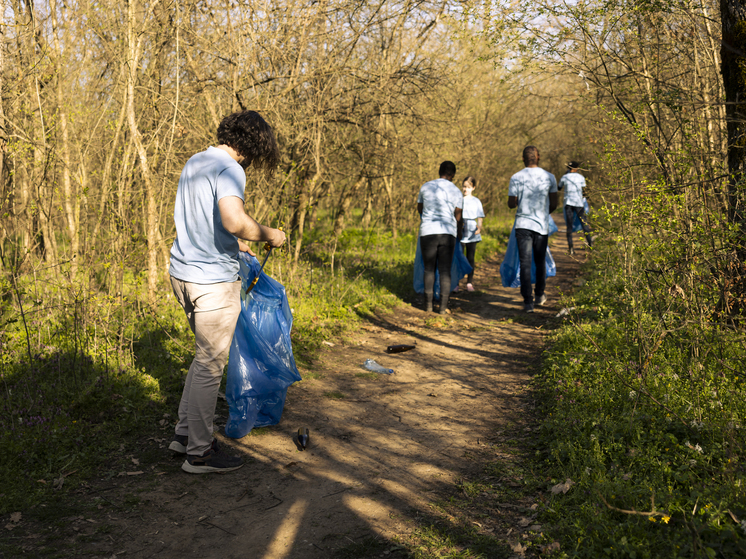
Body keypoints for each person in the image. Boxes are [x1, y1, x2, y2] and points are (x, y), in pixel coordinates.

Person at [168, 110, 287, 474]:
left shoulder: (197, 160)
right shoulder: (231, 168)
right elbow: (233, 220)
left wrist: (234, 246)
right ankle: (200, 453)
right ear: (253, 146)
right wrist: (270, 233)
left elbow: (202, 220)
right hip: (211, 282)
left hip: (182, 273)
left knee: (202, 357)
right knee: (210, 364)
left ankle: (184, 433)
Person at [507, 146, 558, 312]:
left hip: (523, 225)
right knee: (540, 261)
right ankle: (539, 295)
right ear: (539, 157)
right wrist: (543, 213)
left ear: (522, 159)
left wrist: (518, 202)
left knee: (525, 262)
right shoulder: (549, 177)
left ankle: (527, 301)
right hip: (541, 227)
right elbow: (554, 203)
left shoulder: (516, 177)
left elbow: (511, 203)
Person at [417, 161, 463, 314]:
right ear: (453, 175)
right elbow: (458, 216)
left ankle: (428, 306)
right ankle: (443, 308)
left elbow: (420, 208)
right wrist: (459, 233)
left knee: (429, 269)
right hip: (447, 232)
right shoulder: (456, 191)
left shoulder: (426, 186)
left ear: (439, 171)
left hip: (428, 231)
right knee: (444, 270)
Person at [558, 161, 592, 255]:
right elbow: (584, 192)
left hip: (568, 203)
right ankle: (590, 244)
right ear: (576, 168)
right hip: (578, 203)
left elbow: (559, 187)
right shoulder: (581, 177)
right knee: (584, 223)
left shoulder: (565, 177)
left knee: (569, 226)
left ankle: (571, 248)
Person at [459, 176, 485, 292]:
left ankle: (469, 282)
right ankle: (456, 282)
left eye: (468, 187)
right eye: (464, 187)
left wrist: (479, 227)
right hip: (460, 231)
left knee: (470, 257)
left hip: (472, 232)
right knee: (459, 257)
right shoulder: (458, 199)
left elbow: (480, 216)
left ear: (473, 188)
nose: (466, 189)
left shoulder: (476, 201)